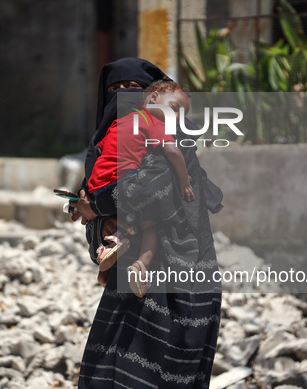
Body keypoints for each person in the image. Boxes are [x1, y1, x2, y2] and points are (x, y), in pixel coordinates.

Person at [70, 58, 223, 388]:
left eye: (133, 89)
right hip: (137, 280)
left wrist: (93, 206)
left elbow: (145, 190)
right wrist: (99, 218)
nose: (122, 95)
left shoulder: (168, 140)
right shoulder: (113, 145)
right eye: (115, 89)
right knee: (107, 373)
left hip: (178, 283)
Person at [89, 80, 195, 297]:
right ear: (154, 97)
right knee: (151, 223)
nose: (176, 119)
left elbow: (100, 150)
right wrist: (184, 180)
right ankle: (141, 266)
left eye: (181, 116)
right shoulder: (151, 122)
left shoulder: (119, 121)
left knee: (123, 216)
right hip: (126, 182)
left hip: (97, 188)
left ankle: (108, 256)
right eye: (174, 109)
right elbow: (173, 152)